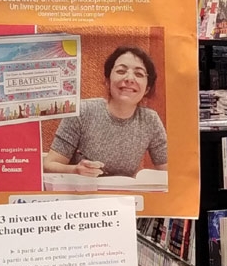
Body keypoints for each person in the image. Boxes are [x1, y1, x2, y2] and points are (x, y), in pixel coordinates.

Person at [43, 46, 168, 178]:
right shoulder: (82, 112)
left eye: (139, 74)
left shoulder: (150, 120)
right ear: (108, 81)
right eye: (121, 71)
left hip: (124, 191)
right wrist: (75, 170)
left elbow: (168, 171)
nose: (130, 79)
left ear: (147, 88)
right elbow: (49, 165)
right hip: (83, 189)